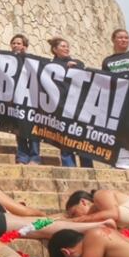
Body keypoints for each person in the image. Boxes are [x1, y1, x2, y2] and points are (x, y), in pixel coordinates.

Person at [48, 37, 93, 168]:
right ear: (55, 50)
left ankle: (87, 166)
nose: (66, 48)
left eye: (67, 46)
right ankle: (69, 166)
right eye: (62, 46)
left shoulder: (78, 62)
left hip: (78, 106)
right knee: (65, 138)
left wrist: (76, 67)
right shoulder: (51, 65)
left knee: (82, 137)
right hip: (61, 107)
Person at [7, 34, 41, 164]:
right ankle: (22, 156)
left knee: (33, 130)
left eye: (19, 43)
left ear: (25, 46)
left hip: (31, 100)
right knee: (19, 128)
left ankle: (35, 157)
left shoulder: (32, 60)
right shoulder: (6, 59)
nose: (16, 45)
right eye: (13, 43)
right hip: (15, 100)